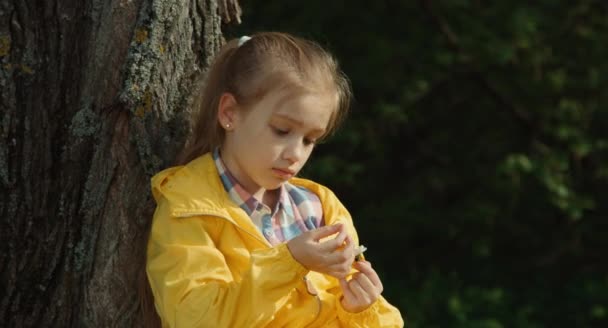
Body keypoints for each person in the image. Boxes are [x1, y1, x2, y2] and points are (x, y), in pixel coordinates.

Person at [146, 31, 405, 328]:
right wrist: (290, 260)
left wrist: (359, 310)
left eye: (310, 140)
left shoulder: (319, 208)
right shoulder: (188, 208)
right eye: (282, 130)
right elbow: (196, 319)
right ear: (229, 113)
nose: (296, 154)